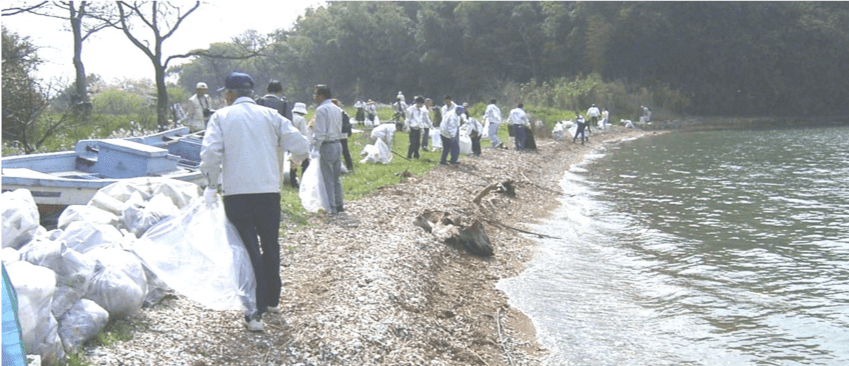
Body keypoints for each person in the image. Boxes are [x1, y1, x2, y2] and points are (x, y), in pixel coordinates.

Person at [200, 71, 310, 332]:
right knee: (270, 244)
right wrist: (296, 159)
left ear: (229, 94)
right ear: (251, 93)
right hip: (269, 192)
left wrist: (211, 184)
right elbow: (301, 144)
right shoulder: (271, 116)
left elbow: (210, 154)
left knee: (246, 250)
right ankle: (272, 299)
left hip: (237, 194)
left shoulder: (221, 117)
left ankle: (254, 311)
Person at [312, 84, 345, 214]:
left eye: (315, 94)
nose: (314, 97)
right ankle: (339, 203)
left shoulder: (321, 110)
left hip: (327, 145)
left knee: (327, 179)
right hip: (338, 143)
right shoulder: (336, 108)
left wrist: (315, 148)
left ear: (321, 95)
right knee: (336, 177)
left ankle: (331, 207)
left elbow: (320, 132)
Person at [289, 102, 311, 188]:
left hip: (290, 143)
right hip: (299, 143)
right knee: (305, 162)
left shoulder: (289, 117)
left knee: (292, 164)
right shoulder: (301, 119)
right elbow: (304, 133)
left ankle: (293, 181)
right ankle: (304, 180)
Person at [331, 99, 355, 173]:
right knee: (345, 151)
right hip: (344, 134)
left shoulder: (334, 112)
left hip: (337, 134)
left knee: (335, 151)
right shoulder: (343, 111)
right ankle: (349, 166)